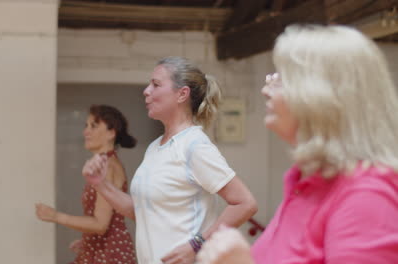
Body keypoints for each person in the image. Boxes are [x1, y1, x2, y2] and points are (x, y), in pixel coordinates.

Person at [196, 24, 398, 264]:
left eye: (282, 78)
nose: (265, 90)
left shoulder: (366, 197)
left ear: (324, 96)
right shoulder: (307, 182)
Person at [83, 56, 258, 264]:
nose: (146, 91)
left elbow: (245, 203)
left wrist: (197, 244)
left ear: (182, 94)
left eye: (156, 84)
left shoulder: (195, 146)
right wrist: (100, 185)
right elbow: (142, 211)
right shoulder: (155, 147)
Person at [35, 105, 137, 264]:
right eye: (86, 126)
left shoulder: (107, 166)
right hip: (103, 249)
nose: (86, 132)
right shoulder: (106, 163)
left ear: (111, 133)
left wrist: (55, 216)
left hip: (109, 254)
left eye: (94, 126)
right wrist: (89, 241)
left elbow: (100, 224)